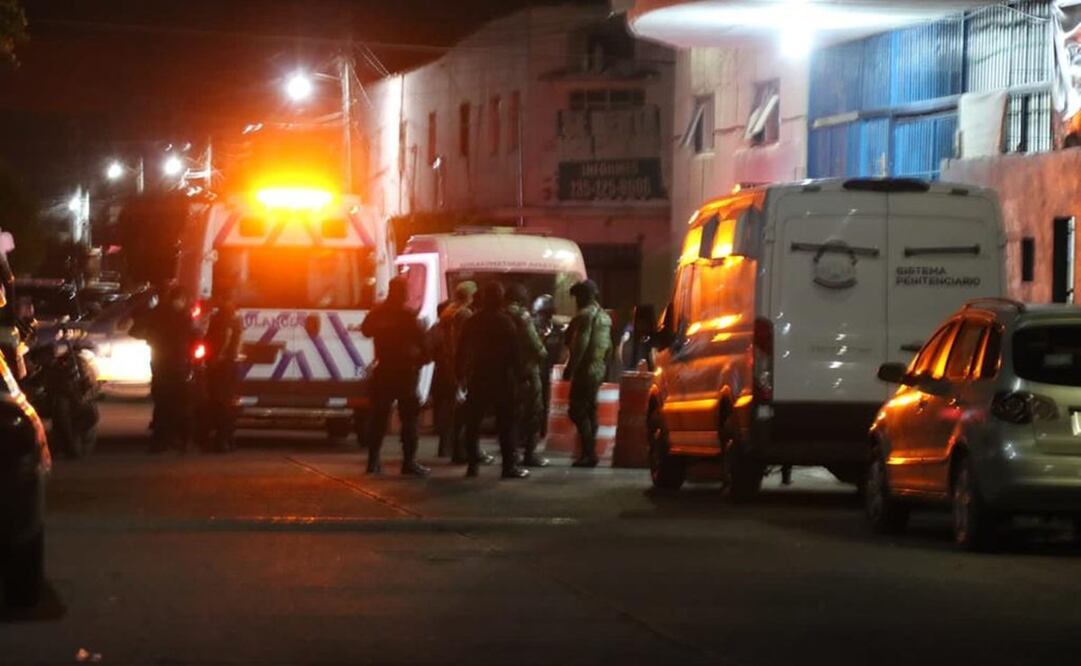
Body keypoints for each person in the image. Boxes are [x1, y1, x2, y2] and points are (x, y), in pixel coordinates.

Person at [457, 282, 529, 480]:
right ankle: (508, 467)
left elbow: (461, 349)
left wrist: (460, 374)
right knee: (506, 425)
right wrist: (522, 377)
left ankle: (472, 465)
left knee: (473, 423)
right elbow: (516, 353)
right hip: (502, 379)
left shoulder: (473, 321)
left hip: (478, 377)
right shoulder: (506, 322)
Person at [361, 276, 431, 476]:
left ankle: (373, 461)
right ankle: (408, 462)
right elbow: (424, 345)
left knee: (378, 418)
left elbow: (366, 331)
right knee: (409, 420)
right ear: (404, 293)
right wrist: (421, 359)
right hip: (405, 373)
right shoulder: (407, 317)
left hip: (383, 371)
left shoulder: (378, 314)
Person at [138, 284, 198, 454]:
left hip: (160, 366)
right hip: (178, 366)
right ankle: (184, 442)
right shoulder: (184, 317)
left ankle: (161, 442)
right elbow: (195, 336)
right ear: (180, 299)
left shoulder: (157, 314)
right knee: (182, 404)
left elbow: (140, 330)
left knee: (162, 404)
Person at [563, 279, 612, 468]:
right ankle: (590, 453)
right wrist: (604, 368)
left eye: (577, 297)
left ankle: (588, 453)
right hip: (598, 368)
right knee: (591, 411)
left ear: (584, 296)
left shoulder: (585, 315)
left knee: (577, 410)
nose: (576, 301)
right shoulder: (605, 317)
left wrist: (570, 368)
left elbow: (580, 344)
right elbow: (609, 346)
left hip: (585, 369)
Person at [506, 283, 549, 467]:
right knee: (533, 412)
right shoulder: (522, 316)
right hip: (526, 370)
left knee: (509, 414)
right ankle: (530, 455)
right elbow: (536, 346)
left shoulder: (500, 313)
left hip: (505, 371)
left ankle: (511, 453)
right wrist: (543, 344)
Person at [201, 288, 242, 452]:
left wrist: (218, 355)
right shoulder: (236, 317)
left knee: (218, 401)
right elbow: (239, 339)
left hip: (221, 364)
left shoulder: (222, 316)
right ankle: (228, 439)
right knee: (228, 401)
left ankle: (221, 440)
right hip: (231, 363)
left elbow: (225, 335)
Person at [532, 294, 564, 440]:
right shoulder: (531, 326)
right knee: (532, 404)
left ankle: (543, 431)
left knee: (546, 402)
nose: (544, 317)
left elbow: (564, 349)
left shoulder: (557, 328)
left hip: (550, 370)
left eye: (547, 313)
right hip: (533, 370)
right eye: (542, 313)